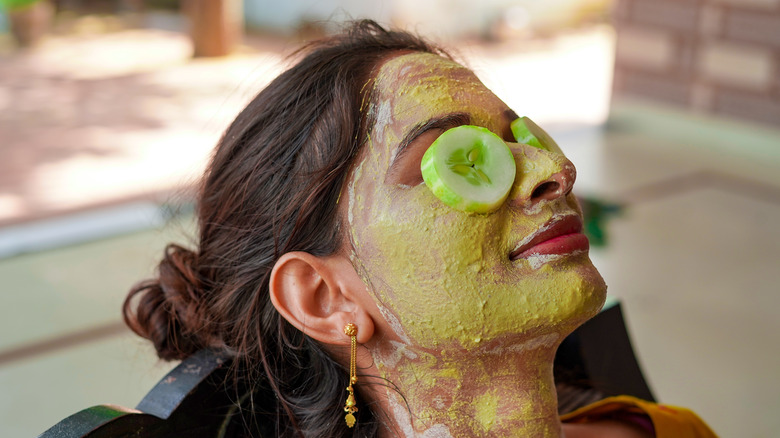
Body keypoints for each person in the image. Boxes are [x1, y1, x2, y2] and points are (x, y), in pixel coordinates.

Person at [123, 20, 717, 438]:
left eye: (521, 138)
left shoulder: (670, 431)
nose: (555, 170)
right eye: (458, 161)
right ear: (325, 298)